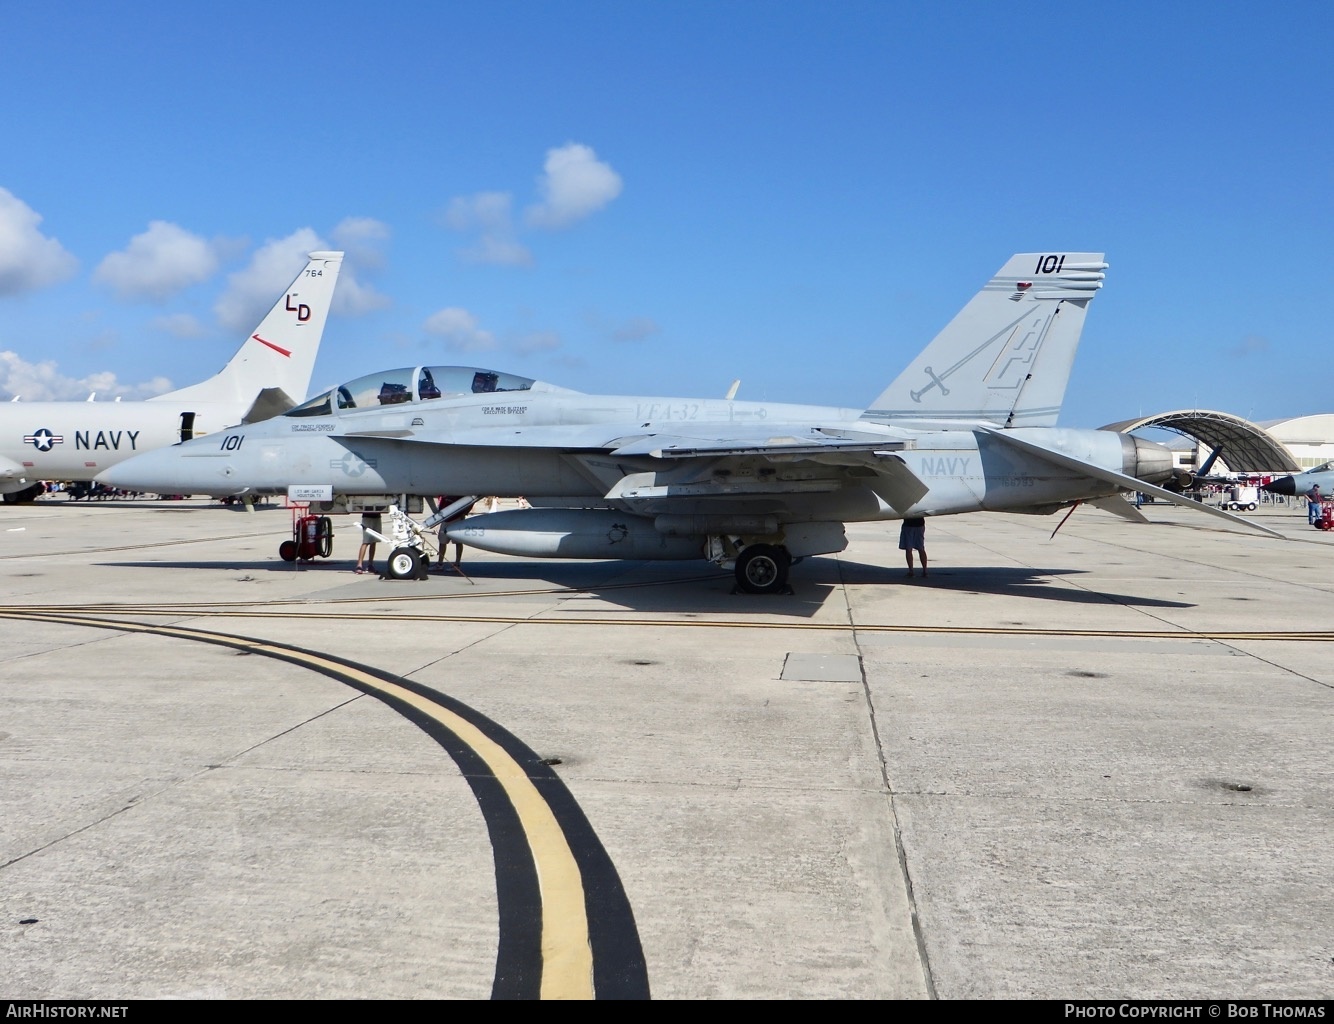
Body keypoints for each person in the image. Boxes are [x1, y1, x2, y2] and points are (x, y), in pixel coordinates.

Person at [435, 497, 475, 572]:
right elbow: (442, 502)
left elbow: (471, 501)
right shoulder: (446, 494)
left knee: (458, 542)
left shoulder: (460, 493)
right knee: (442, 541)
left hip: (457, 518)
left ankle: (457, 563)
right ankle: (440, 563)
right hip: (445, 518)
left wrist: (464, 513)